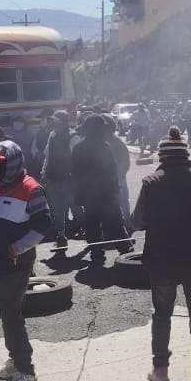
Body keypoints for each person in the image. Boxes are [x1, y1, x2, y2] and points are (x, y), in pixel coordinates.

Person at [131, 127, 191, 381]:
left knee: (162, 314)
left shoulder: (151, 182)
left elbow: (137, 222)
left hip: (161, 260)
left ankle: (160, 370)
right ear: (185, 155)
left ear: (162, 157)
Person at [0, 140, 54, 381]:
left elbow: (43, 225)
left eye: (0, 164)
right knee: (7, 315)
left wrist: (18, 247)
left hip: (14, 264)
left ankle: (26, 372)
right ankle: (15, 361)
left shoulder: (31, 189)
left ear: (13, 162)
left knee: (11, 316)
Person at [72, 115, 131, 267]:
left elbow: (76, 175)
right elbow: (111, 172)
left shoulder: (79, 148)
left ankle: (97, 255)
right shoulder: (104, 147)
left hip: (91, 197)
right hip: (106, 196)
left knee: (92, 227)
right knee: (115, 225)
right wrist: (116, 191)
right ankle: (127, 253)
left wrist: (79, 198)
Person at [39, 112, 76, 243]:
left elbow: (78, 160)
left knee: (76, 208)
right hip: (53, 179)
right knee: (57, 210)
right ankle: (61, 235)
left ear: (63, 122)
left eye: (56, 121)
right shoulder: (52, 135)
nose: (53, 124)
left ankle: (90, 233)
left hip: (69, 180)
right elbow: (47, 156)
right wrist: (43, 173)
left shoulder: (73, 136)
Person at [103, 115, 133, 228]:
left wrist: (120, 175)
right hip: (107, 178)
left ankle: (127, 223)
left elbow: (125, 161)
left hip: (117, 178)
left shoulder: (117, 142)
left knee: (123, 201)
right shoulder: (102, 142)